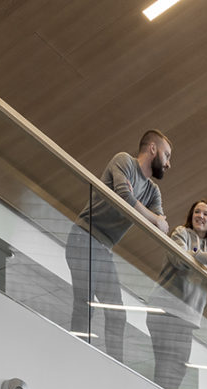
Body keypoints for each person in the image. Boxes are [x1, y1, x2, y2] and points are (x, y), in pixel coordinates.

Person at [66, 130, 172, 361]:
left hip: (104, 249)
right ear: (152, 148)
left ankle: (115, 367)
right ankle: (77, 357)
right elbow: (125, 197)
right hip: (83, 237)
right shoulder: (124, 160)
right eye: (166, 155)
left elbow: (161, 227)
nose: (168, 163)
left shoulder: (153, 191)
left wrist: (149, 215)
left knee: (117, 314)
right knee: (85, 304)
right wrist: (151, 216)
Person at [148, 199, 207, 389]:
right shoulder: (181, 233)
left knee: (178, 369)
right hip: (165, 310)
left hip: (187, 318)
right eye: (197, 212)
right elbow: (180, 258)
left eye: (205, 214)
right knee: (166, 366)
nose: (200, 216)